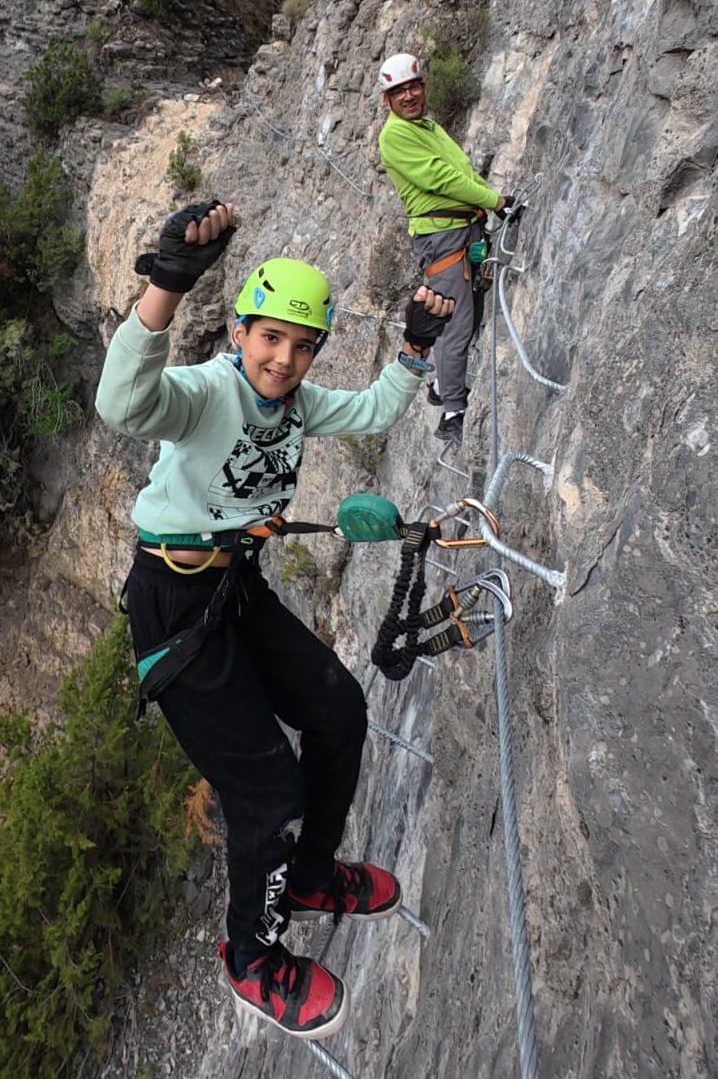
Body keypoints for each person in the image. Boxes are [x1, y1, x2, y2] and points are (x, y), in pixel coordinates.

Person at [95, 199, 454, 1041]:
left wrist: (412, 351)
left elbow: (368, 412)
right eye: (270, 338)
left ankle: (310, 875)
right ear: (241, 334)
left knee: (339, 709)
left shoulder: (295, 403)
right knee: (267, 793)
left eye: (302, 345)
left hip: (234, 586)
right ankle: (252, 957)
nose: (285, 359)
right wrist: (166, 288)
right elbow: (123, 402)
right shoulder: (203, 396)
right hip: (176, 602)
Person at [377, 52, 520, 445]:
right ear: (386, 100)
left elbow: (460, 170)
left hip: (463, 231)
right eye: (398, 91)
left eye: (413, 86)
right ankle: (453, 412)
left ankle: (443, 385)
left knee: (470, 314)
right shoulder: (395, 135)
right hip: (442, 239)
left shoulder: (427, 127)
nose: (408, 96)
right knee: (456, 323)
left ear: (423, 87)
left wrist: (487, 202)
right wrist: (495, 200)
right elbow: (440, 179)